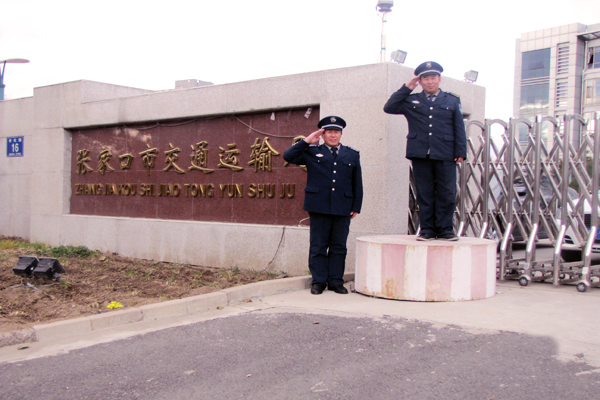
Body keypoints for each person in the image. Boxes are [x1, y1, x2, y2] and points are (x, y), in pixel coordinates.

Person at [383, 61, 467, 241]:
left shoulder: (452, 100)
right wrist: (407, 87)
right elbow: (389, 107)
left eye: (433, 78)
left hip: (446, 152)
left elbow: (459, 127)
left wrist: (460, 151)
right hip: (420, 153)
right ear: (420, 81)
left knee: (447, 193)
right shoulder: (411, 100)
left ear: (439, 79)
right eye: (425, 78)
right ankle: (427, 229)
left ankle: (445, 229)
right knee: (424, 193)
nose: (430, 81)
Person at [283, 116, 363, 295]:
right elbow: (288, 156)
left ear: (341, 134)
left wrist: (356, 206)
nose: (333, 135)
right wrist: (307, 141)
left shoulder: (352, 154)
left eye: (336, 132)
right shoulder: (312, 152)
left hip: (343, 205)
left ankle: (335, 281)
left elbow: (357, 182)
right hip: (318, 205)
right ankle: (318, 281)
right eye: (329, 132)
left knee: (338, 246)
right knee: (318, 245)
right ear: (323, 134)